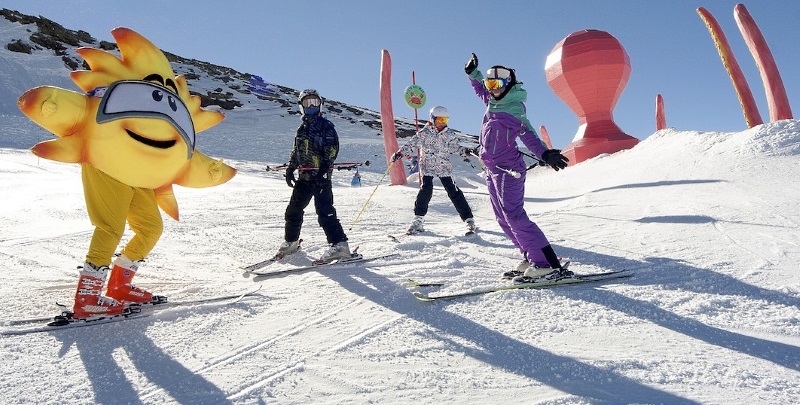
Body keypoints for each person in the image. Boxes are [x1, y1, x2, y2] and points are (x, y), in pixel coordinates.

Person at [464, 53, 571, 283]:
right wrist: (474, 75)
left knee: (515, 215)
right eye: (490, 84)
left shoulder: (512, 109)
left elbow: (529, 134)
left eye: (497, 84)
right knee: (502, 217)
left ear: (509, 84)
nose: (492, 89)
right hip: (492, 171)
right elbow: (481, 91)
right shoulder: (493, 102)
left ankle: (545, 264)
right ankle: (529, 255)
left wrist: (544, 153)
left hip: (508, 170)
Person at [278, 89, 351, 264]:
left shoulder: (326, 125)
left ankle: (340, 245)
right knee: (293, 210)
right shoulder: (301, 129)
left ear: (320, 105)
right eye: (307, 102)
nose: (311, 106)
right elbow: (297, 151)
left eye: (315, 102)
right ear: (301, 106)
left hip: (321, 177)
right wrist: (291, 168)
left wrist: (325, 167)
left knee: (325, 212)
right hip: (304, 177)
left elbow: (332, 148)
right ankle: (291, 242)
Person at [391, 106, 476, 235]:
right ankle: (418, 219)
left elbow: (455, 147)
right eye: (440, 119)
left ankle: (468, 219)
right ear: (432, 119)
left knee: (453, 191)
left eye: (445, 120)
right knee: (426, 191)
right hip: (427, 167)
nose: (443, 123)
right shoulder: (424, 133)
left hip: (444, 167)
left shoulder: (449, 134)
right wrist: (400, 153)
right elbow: (411, 144)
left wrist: (466, 151)